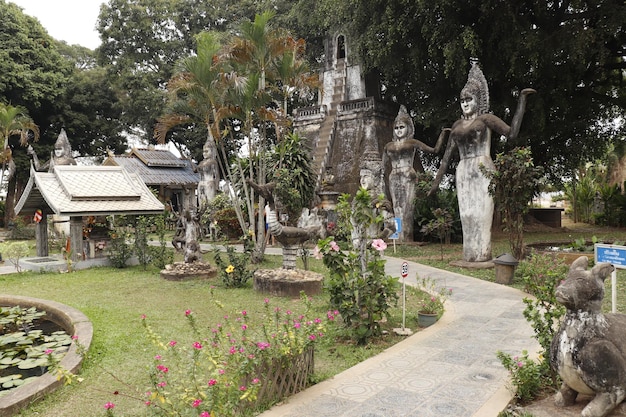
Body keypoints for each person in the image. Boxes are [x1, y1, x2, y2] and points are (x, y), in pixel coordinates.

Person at [429, 60, 535, 262]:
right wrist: (435, 184)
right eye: (462, 100)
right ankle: (469, 255)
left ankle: (483, 255)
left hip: (482, 168)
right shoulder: (457, 124)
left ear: (478, 100)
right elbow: (445, 158)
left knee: (481, 216)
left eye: (469, 99)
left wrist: (521, 102)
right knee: (467, 215)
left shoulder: (486, 119)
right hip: (463, 170)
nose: (466, 103)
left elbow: (511, 134)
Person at [382, 106, 448, 241]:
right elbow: (381, 167)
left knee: (407, 208)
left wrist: (442, 135)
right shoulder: (388, 146)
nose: (399, 130)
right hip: (394, 176)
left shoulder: (412, 142)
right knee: (397, 206)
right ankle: (398, 235)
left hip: (407, 174)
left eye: (402, 127)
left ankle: (407, 236)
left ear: (408, 128)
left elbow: (434, 150)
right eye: (397, 128)